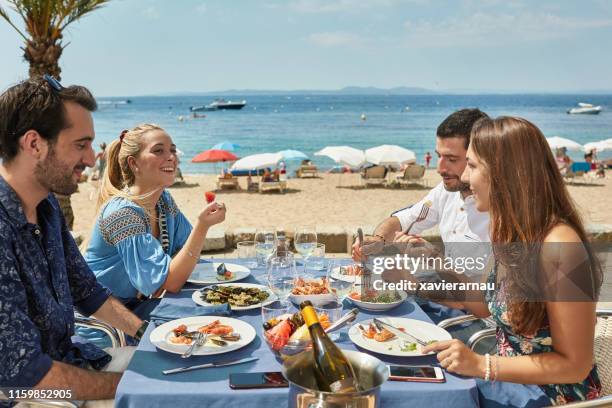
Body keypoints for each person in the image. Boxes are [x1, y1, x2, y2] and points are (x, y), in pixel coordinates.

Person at [392, 117, 602, 407]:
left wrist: (481, 365)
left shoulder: (560, 248)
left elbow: (575, 364)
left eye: (473, 166)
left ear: (505, 175)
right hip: (508, 381)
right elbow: (482, 302)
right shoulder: (513, 233)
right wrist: (430, 266)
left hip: (549, 396)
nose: (465, 177)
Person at [0, 76, 146, 404]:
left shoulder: (46, 206)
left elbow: (87, 292)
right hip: (27, 395)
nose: (93, 159)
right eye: (81, 145)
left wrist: (148, 335)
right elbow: (23, 374)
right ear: (34, 144)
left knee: (173, 369)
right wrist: (126, 386)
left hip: (70, 363)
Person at [81, 124, 226, 340]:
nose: (171, 157)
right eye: (159, 151)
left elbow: (184, 254)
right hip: (105, 328)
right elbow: (171, 281)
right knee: (208, 327)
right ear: (134, 163)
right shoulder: (123, 214)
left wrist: (165, 273)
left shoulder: (163, 202)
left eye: (173, 150)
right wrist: (202, 226)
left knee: (220, 312)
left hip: (139, 310)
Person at [353, 108, 491, 259]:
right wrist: (378, 240)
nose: (440, 169)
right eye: (439, 156)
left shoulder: (501, 214)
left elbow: (484, 282)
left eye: (452, 159)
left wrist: (433, 258)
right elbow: (403, 220)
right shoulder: (445, 192)